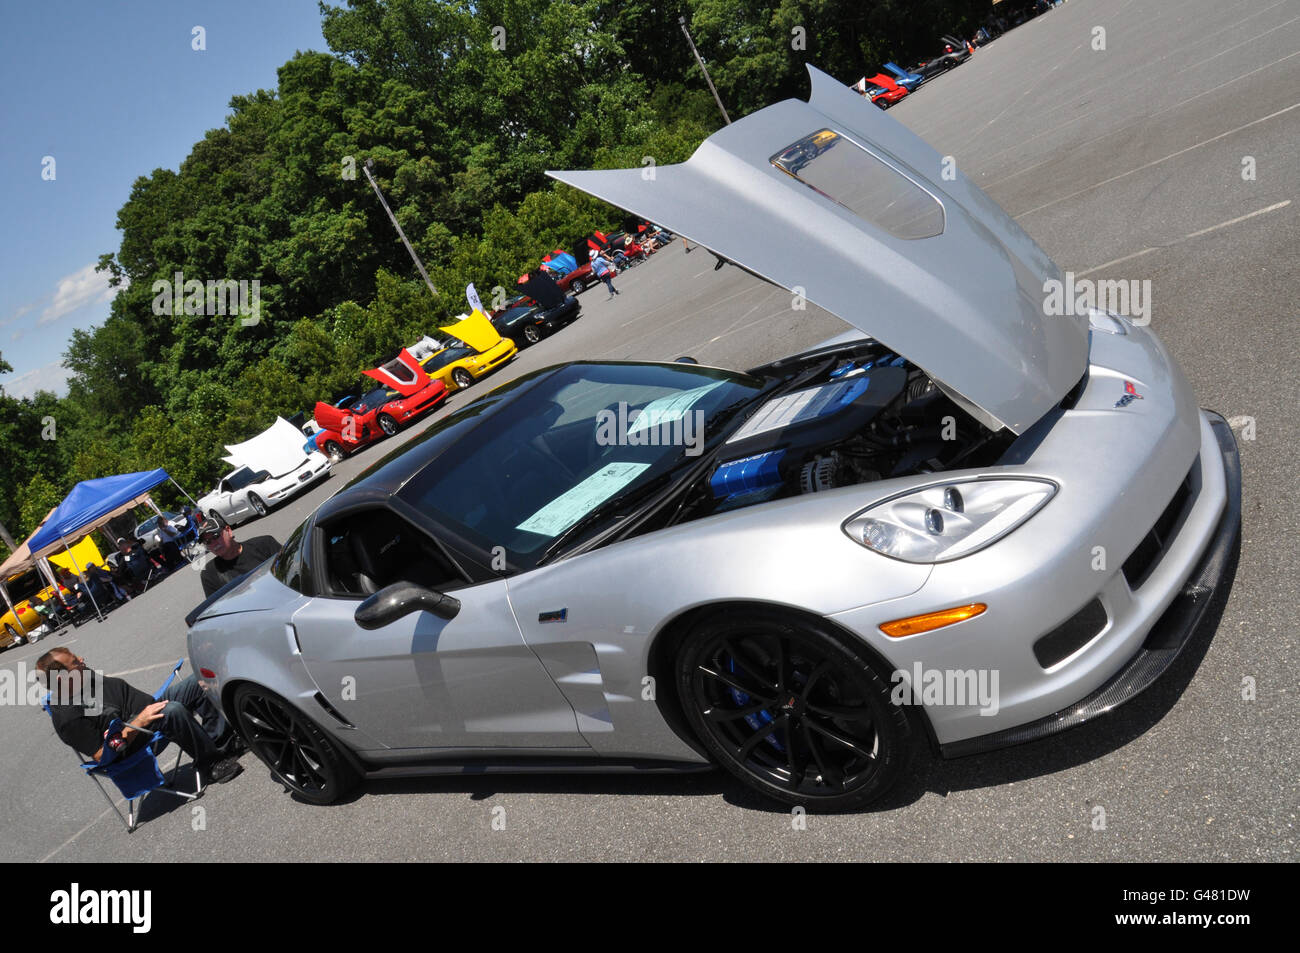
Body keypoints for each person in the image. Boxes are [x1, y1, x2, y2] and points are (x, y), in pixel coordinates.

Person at [37, 647, 243, 784]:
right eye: (75, 662)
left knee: (198, 680)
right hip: (133, 737)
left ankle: (222, 743)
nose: (82, 660)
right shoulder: (68, 716)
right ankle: (210, 765)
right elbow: (101, 754)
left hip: (149, 708)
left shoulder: (85, 677)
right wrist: (140, 720)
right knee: (172, 711)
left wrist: (145, 712)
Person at [198, 519, 282, 598]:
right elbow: (219, 608)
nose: (214, 544)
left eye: (216, 536)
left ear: (228, 531)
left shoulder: (265, 544)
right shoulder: (209, 574)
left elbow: (291, 569)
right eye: (207, 542)